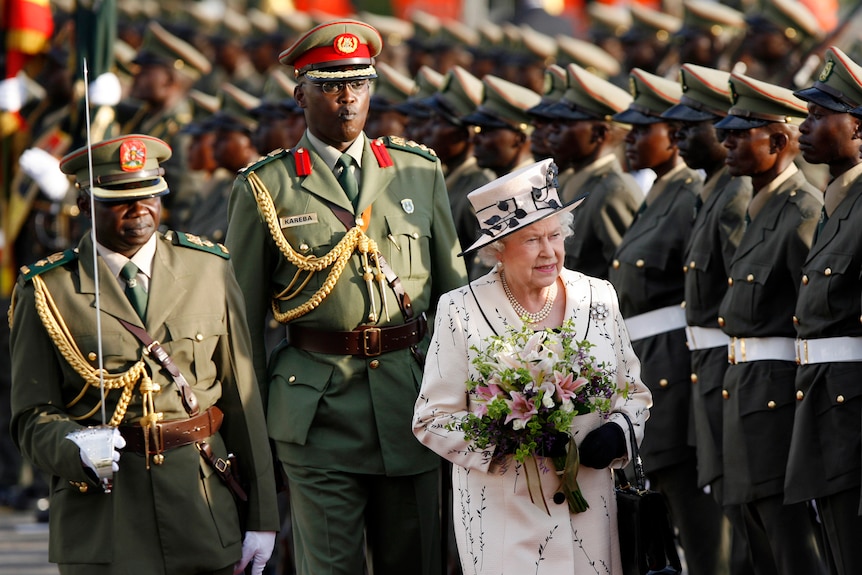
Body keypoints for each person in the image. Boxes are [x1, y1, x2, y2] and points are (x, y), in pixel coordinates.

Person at [224, 19, 467, 575]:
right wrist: (254, 438)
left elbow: (454, 298)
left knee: (416, 561)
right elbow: (242, 328)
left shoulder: (416, 170)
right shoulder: (267, 186)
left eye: (359, 84)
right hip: (317, 410)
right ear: (300, 94)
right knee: (329, 566)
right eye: (331, 85)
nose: (347, 98)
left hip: (410, 402)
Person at [8, 134, 280, 575]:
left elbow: (243, 400)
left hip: (203, 509)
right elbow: (31, 414)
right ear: (84, 201)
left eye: (150, 195)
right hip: (104, 518)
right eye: (120, 200)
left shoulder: (208, 268)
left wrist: (263, 518)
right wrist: (73, 449)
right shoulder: (48, 290)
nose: (140, 210)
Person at [413, 158, 652, 574]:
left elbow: (632, 393)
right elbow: (431, 419)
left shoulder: (598, 296)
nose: (550, 251)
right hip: (503, 520)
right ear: (497, 251)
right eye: (531, 240)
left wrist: (617, 432)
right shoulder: (461, 309)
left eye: (555, 235)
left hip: (591, 513)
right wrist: (502, 438)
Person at [609, 68, 728, 575]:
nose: (632, 140)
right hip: (651, 363)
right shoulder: (664, 193)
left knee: (700, 523)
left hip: (678, 368)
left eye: (645, 130)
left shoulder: (687, 196)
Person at [715, 72, 826, 575]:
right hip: (745, 388)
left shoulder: (802, 208)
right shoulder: (762, 207)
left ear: (778, 141)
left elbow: (820, 317)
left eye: (741, 134)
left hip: (778, 395)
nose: (726, 141)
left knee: (789, 543)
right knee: (754, 534)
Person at [661, 63, 754, 575]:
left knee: (739, 525)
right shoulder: (714, 189)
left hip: (729, 367)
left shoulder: (734, 195)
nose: (680, 132)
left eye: (693, 123)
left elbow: (747, 303)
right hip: (710, 368)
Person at [785, 46, 862, 575]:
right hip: (826, 403)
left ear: (857, 127)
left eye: (819, 115)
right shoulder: (838, 203)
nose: (804, 126)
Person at [543, 62, 641, 280]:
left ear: (598, 133)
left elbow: (624, 276)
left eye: (565, 122)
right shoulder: (569, 182)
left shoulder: (613, 191)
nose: (552, 129)